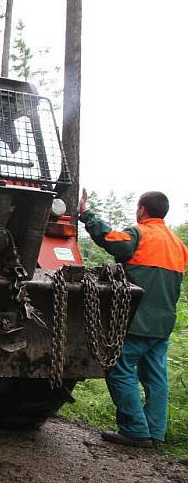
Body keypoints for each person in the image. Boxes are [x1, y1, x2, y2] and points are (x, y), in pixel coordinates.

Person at [78, 189, 188, 447]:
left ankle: (135, 430)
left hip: (135, 322)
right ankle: (155, 433)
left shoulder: (140, 234)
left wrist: (86, 215)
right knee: (156, 377)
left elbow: (112, 240)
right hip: (162, 326)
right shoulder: (178, 244)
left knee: (119, 369)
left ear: (142, 210)